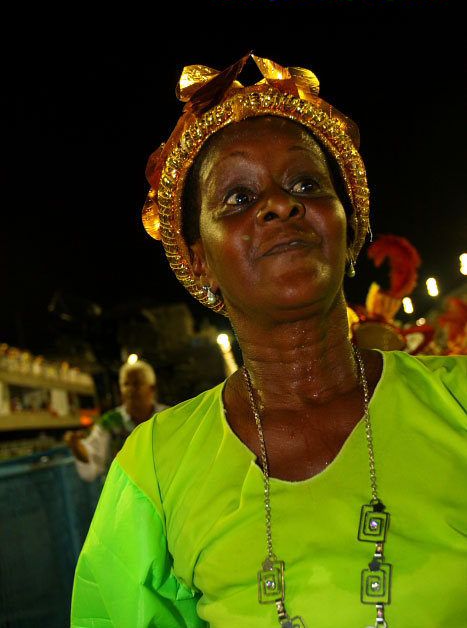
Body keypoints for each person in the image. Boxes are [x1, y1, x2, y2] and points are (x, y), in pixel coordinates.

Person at [71, 54, 467, 627]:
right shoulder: (155, 468)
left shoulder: (457, 400)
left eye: (306, 183)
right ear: (198, 258)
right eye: (237, 197)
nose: (281, 204)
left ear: (348, 224)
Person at [65, 359, 165, 481]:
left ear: (152, 388)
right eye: (126, 384)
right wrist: (77, 447)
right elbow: (92, 459)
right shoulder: (109, 422)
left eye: (137, 383)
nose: (130, 390)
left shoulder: (167, 417)